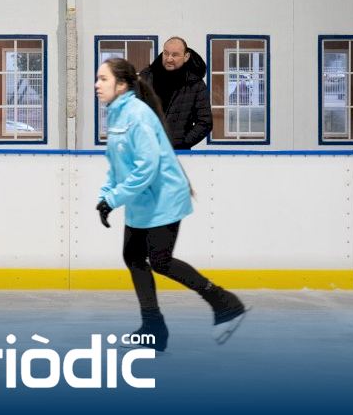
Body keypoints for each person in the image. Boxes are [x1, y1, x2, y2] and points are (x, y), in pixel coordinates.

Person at [95, 57, 246, 350]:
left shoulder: (137, 115)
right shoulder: (116, 115)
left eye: (103, 79)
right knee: (133, 256)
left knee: (160, 261)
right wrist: (106, 195)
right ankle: (153, 328)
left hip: (164, 196)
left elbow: (147, 166)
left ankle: (225, 302)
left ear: (122, 85)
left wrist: (114, 198)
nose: (97, 84)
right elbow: (116, 163)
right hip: (142, 199)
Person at [137, 37, 212, 149]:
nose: (169, 59)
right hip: (146, 150)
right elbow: (133, 111)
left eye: (175, 55)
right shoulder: (146, 77)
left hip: (178, 153)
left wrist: (182, 143)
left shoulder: (195, 84)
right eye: (166, 53)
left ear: (186, 57)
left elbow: (205, 122)